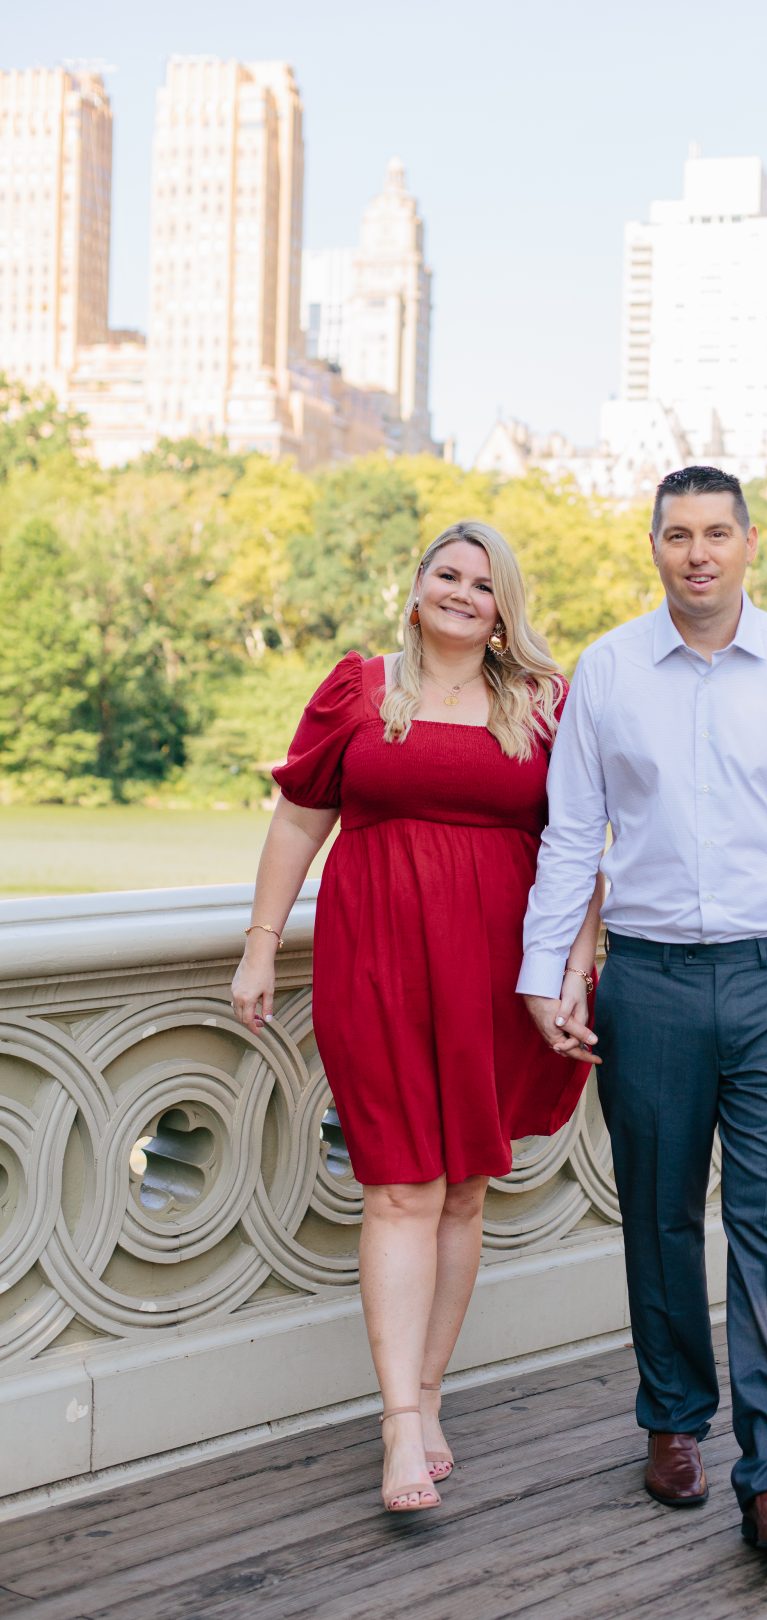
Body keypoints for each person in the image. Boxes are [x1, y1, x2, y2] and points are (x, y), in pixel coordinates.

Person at [520, 465, 767, 1554]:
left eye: (716, 533)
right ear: (654, 547)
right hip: (649, 981)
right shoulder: (610, 672)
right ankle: (674, 1420)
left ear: (749, 543)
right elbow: (572, 836)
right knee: (662, 1212)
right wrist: (548, 972)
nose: (698, 553)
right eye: (677, 534)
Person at [231, 520, 602, 1514]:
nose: (463, 592)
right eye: (448, 573)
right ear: (418, 586)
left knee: (466, 1190)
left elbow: (582, 842)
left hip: (497, 975)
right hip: (377, 965)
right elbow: (299, 819)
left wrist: (578, 956)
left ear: (502, 609)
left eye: (484, 583)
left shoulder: (543, 703)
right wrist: (263, 943)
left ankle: (430, 1395)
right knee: (400, 1186)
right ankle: (400, 1427)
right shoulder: (358, 688)